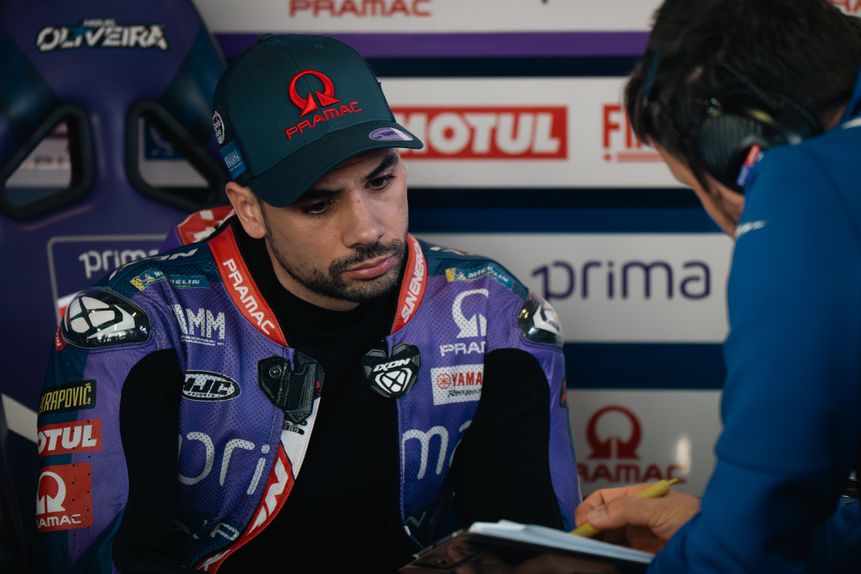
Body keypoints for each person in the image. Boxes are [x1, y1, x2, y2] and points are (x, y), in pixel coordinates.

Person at [34, 34, 579, 573]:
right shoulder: (135, 324)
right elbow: (101, 562)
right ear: (248, 209)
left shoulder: (489, 311)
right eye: (319, 205)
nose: (367, 229)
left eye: (381, 182)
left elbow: (533, 551)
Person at [574, 0, 861, 571]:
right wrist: (709, 530)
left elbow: (751, 535)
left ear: (745, 142)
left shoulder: (804, 178)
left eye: (698, 185)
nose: (720, 216)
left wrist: (701, 549)